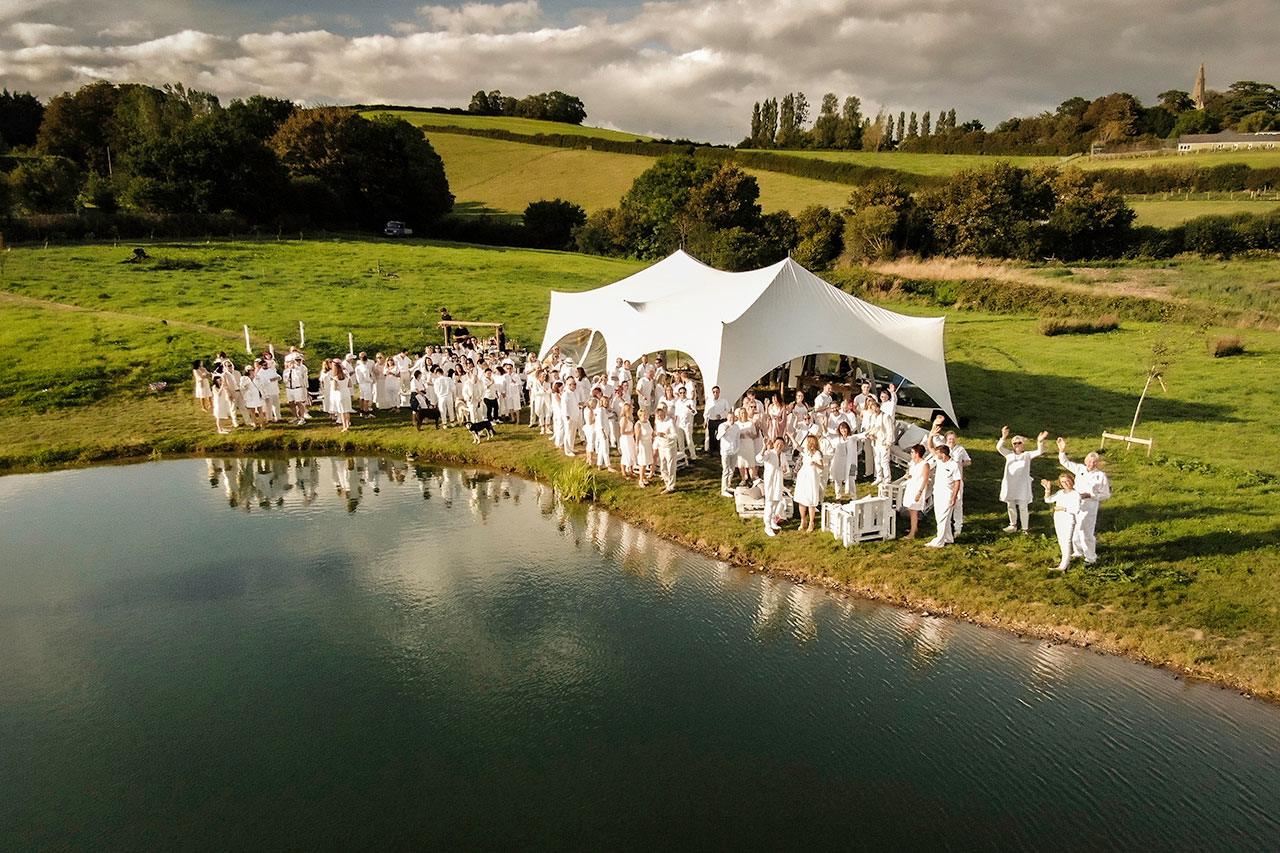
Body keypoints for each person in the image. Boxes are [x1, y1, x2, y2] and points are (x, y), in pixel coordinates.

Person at [1057, 438, 1112, 564]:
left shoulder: (1101, 476)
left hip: (1089, 506)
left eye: (1094, 462)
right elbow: (1064, 462)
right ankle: (1078, 552)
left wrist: (1091, 495)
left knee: (1086, 531)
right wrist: (1062, 450)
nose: (1091, 464)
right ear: (1085, 461)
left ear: (1097, 463)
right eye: (1089, 461)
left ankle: (1091, 558)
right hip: (1075, 504)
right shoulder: (1080, 469)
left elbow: (1106, 494)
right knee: (1075, 528)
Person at [998, 427, 1048, 533]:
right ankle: (1013, 525)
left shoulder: (1027, 455)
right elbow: (999, 448)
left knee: (1023, 507)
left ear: (1023, 444)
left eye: (1019, 443)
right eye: (1014, 443)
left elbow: (1040, 451)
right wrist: (1004, 437)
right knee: (1010, 505)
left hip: (1022, 485)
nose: (1017, 445)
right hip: (1010, 484)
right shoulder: (1009, 454)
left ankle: (1025, 528)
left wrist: (1040, 441)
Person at [1042, 473, 1083, 572]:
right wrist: (1048, 489)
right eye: (1063, 482)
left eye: (1068, 481)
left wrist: (1063, 508)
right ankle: (1066, 560)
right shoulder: (1060, 492)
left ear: (1072, 481)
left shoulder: (1075, 494)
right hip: (1058, 518)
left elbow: (1076, 510)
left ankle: (1063, 566)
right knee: (1061, 541)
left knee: (1066, 541)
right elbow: (1048, 500)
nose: (1066, 483)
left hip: (1068, 519)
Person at [924, 440, 962, 548]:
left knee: (942, 518)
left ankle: (939, 541)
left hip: (948, 495)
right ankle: (948, 537)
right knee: (940, 517)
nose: (936, 455)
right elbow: (930, 447)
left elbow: (957, 482)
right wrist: (931, 435)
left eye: (938, 453)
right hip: (938, 493)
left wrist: (954, 497)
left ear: (944, 454)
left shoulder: (954, 465)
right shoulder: (940, 461)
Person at [757, 436, 790, 537]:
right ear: (774, 444)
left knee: (776, 500)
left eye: (781, 445)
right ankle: (767, 525)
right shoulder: (769, 453)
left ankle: (772, 521)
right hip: (770, 481)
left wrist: (785, 470)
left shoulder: (783, 455)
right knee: (770, 502)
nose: (779, 446)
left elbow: (787, 468)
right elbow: (759, 459)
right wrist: (764, 446)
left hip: (779, 480)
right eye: (777, 444)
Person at [792, 434, 824, 532]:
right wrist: (790, 436)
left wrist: (815, 464)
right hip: (803, 476)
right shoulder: (805, 451)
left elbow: (822, 466)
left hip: (812, 477)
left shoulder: (817, 453)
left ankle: (811, 522)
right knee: (802, 499)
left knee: (810, 500)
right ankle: (803, 520)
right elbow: (797, 446)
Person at [902, 444, 931, 539]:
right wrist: (909, 476)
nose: (911, 454)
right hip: (911, 487)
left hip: (917, 489)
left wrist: (920, 492)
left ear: (917, 453)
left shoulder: (925, 464)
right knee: (911, 509)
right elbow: (913, 474)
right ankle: (915, 527)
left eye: (912, 452)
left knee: (914, 510)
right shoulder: (914, 463)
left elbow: (925, 479)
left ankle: (912, 533)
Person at [653, 403, 677, 493]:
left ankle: (671, 486)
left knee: (671, 466)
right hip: (661, 446)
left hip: (670, 447)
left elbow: (675, 435)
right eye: (658, 416)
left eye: (661, 416)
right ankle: (667, 483)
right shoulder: (657, 422)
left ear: (664, 414)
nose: (660, 418)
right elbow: (656, 432)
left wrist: (665, 435)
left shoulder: (670, 422)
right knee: (663, 466)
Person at [716, 409, 741, 497]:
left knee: (732, 469)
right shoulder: (722, 426)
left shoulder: (737, 427)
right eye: (730, 418)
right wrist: (724, 430)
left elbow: (737, 438)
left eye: (733, 418)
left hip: (734, 450)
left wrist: (737, 448)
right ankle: (723, 489)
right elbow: (718, 437)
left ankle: (728, 485)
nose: (732, 419)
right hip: (725, 451)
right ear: (727, 418)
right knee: (726, 470)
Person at [735, 406, 760, 484]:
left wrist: (750, 435)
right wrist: (738, 436)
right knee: (741, 463)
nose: (743, 415)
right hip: (740, 444)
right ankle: (743, 479)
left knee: (750, 463)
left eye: (745, 413)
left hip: (749, 444)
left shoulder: (750, 423)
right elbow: (733, 435)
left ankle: (752, 479)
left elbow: (756, 435)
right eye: (742, 413)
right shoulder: (736, 424)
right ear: (739, 414)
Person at [704, 385, 730, 456]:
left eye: (716, 392)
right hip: (711, 420)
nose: (715, 393)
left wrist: (721, 415)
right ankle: (711, 452)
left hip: (720, 421)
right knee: (711, 436)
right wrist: (705, 421)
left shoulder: (724, 401)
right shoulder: (709, 401)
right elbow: (706, 412)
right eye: (714, 392)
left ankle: (720, 451)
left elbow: (727, 410)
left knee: (720, 436)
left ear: (719, 392)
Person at [635, 407, 654, 488]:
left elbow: (651, 432)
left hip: (648, 444)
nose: (646, 417)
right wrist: (637, 446)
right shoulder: (638, 424)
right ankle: (640, 479)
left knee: (647, 462)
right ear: (640, 416)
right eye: (644, 415)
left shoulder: (648, 422)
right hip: (642, 444)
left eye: (646, 415)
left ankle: (644, 477)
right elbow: (638, 436)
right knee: (642, 463)